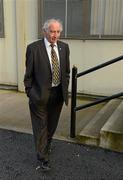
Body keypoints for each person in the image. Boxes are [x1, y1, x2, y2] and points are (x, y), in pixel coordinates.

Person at [24, 18, 70, 171]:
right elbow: (28, 75)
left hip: (57, 94)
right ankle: (43, 159)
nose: (55, 35)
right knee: (41, 127)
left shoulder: (64, 47)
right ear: (44, 31)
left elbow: (66, 72)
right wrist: (30, 92)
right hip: (39, 95)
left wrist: (65, 87)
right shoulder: (33, 48)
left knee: (51, 125)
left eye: (57, 32)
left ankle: (46, 146)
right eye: (52, 31)